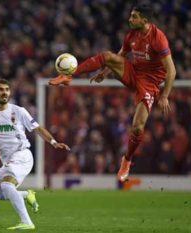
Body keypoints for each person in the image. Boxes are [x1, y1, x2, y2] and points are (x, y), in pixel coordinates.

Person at [49, 2, 176, 182]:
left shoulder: (158, 38)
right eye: (130, 16)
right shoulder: (131, 34)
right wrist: (106, 71)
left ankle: (127, 160)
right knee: (108, 56)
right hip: (134, 73)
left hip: (150, 83)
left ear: (145, 20)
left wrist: (164, 96)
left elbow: (171, 70)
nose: (129, 19)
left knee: (138, 126)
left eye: (134, 17)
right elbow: (121, 55)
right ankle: (68, 75)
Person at [0, 79, 70, 230]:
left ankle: (27, 222)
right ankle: (25, 194)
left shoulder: (19, 111)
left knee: (7, 185)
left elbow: (38, 129)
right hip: (8, 161)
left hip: (22, 156)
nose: (4, 92)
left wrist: (54, 142)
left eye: (7, 90)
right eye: (1, 90)